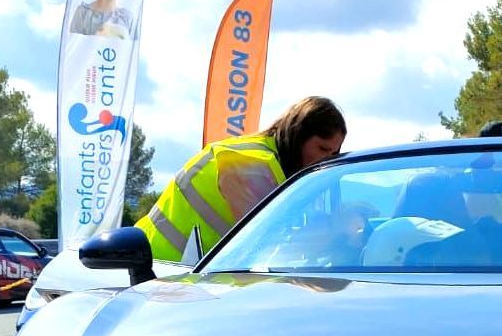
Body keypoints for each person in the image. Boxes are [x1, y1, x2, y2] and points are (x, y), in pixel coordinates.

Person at [137, 96, 346, 263]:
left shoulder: (273, 166)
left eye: (334, 153)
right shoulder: (251, 165)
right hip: (156, 269)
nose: (327, 159)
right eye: (322, 148)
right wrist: (336, 235)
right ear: (298, 136)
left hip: (179, 274)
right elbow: (267, 246)